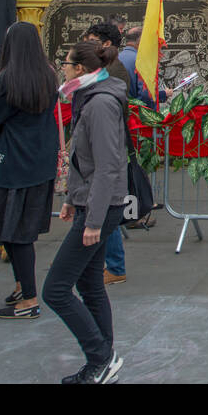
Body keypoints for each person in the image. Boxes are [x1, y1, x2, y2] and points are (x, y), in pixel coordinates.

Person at [43, 40, 129, 384]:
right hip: (92, 202)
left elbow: (108, 165)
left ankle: (101, 356)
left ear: (80, 69)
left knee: (56, 289)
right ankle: (103, 360)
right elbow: (86, 158)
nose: (62, 67)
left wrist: (92, 219)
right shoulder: (89, 97)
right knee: (90, 283)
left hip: (101, 207)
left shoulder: (100, 103)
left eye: (66, 63)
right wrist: (71, 198)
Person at [0, 21, 61, 320]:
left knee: (12, 232)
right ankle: (21, 286)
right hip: (40, 162)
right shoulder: (48, 75)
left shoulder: (6, 80)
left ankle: (29, 298)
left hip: (11, 162)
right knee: (22, 231)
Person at [85, 23, 130, 284]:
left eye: (92, 41)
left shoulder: (112, 73)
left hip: (107, 149)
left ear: (106, 44)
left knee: (104, 206)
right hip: (102, 148)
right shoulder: (103, 70)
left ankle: (114, 265)